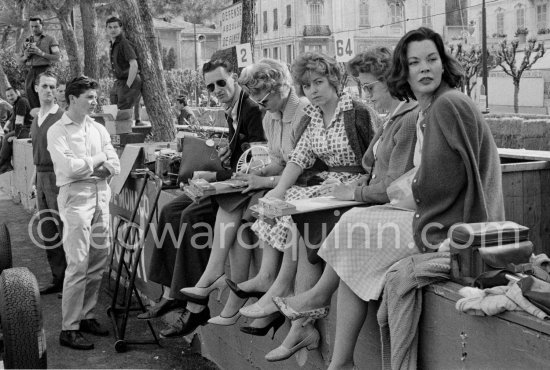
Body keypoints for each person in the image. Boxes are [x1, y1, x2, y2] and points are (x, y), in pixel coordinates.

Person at [304, 27, 505, 369]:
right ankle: (339, 355)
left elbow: (438, 186)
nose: (424, 68)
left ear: (443, 65)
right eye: (415, 62)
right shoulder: (433, 108)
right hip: (448, 219)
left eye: (431, 59)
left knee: (354, 225)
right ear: (404, 71)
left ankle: (325, 320)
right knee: (356, 231)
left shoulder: (447, 105)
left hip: (458, 229)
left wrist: (389, 196)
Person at [270, 46, 419, 361]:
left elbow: (393, 183)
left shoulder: (390, 115)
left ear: (393, 80)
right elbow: (377, 172)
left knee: (339, 226)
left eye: (370, 87)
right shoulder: (395, 116)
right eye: (307, 86)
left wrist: (355, 191)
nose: (366, 93)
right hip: (367, 197)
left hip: (400, 213)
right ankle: (321, 338)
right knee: (303, 217)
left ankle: (309, 304)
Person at [231, 52, 375, 361]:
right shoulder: (313, 115)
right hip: (328, 187)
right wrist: (277, 193)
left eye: (319, 82)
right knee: (291, 202)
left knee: (301, 207)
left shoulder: (357, 112)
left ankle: (282, 294)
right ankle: (289, 306)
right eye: (307, 85)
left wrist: (358, 188)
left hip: (356, 188)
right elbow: (299, 158)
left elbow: (378, 162)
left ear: (335, 81)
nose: (313, 90)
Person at [179, 58, 309, 332]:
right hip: (279, 182)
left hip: (300, 187)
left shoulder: (302, 113)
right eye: (257, 100)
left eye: (264, 100)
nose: (261, 106)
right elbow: (276, 160)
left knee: (238, 209)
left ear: (280, 88)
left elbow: (302, 168)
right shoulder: (271, 115)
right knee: (236, 211)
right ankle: (226, 287)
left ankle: (225, 284)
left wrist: (263, 178)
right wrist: (256, 175)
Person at [140, 59, 264, 338]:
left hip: (243, 189)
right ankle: (174, 292)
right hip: (230, 180)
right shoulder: (233, 108)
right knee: (171, 210)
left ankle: (196, 307)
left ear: (233, 77)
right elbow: (240, 155)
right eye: (211, 86)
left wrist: (220, 175)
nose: (217, 89)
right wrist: (220, 160)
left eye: (221, 82)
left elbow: (258, 159)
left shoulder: (253, 109)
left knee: (190, 216)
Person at [47, 76, 121, 350]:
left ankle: (87, 315)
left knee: (99, 257)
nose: (94, 101)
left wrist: (101, 164)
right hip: (75, 197)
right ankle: (69, 327)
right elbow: (69, 169)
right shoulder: (58, 131)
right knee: (78, 262)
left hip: (101, 194)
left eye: (95, 97)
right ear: (72, 99)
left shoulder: (98, 128)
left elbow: (115, 162)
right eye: (89, 97)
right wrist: (98, 160)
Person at [29, 71, 67, 295]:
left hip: (57, 177)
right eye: (44, 86)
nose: (49, 91)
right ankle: (58, 278)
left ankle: (71, 283)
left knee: (64, 230)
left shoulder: (62, 117)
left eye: (52, 87)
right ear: (36, 88)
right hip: (41, 177)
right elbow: (37, 153)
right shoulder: (36, 118)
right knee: (48, 231)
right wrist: (34, 181)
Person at [16, 16, 61, 109]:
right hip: (31, 70)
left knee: (46, 93)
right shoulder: (27, 40)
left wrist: (40, 53)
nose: (34, 29)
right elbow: (19, 61)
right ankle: (36, 117)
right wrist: (26, 56)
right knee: (29, 91)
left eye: (36, 26)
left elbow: (57, 57)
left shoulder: (50, 39)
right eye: (31, 26)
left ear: (42, 25)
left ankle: (49, 115)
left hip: (46, 69)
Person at [106, 17, 142, 122]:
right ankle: (117, 137)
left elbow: (134, 65)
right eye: (110, 27)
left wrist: (128, 85)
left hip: (129, 80)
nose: (113, 30)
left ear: (121, 28)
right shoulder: (113, 44)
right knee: (113, 113)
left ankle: (124, 137)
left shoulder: (124, 43)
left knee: (122, 116)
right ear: (107, 29)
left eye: (116, 27)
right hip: (119, 82)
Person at [0, 87, 33, 174]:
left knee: (7, 137)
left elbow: (19, 121)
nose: (10, 97)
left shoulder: (21, 101)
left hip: (28, 129)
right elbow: (12, 118)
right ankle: (5, 164)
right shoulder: (17, 103)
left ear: (17, 93)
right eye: (8, 96)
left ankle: (4, 165)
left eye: (12, 94)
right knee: (5, 137)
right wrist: (6, 127)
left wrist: (15, 136)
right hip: (24, 128)